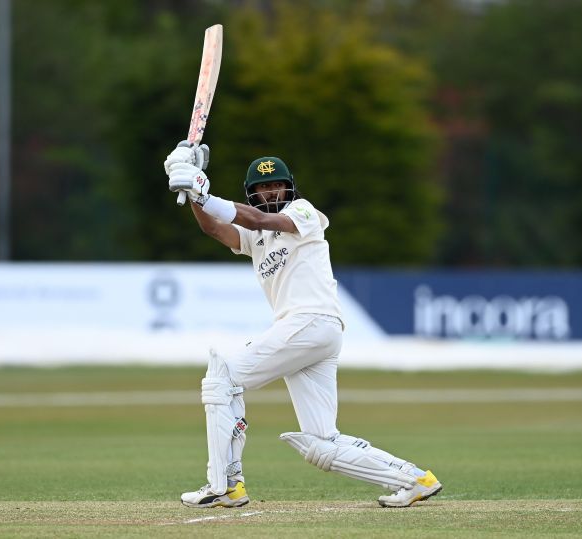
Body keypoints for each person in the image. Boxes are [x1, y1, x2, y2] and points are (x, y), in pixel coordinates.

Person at [163, 143, 442, 508]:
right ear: (252, 192)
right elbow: (217, 230)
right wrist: (190, 193)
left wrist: (205, 192)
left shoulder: (303, 212)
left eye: (275, 185)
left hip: (311, 321)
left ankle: (225, 485)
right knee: (321, 441)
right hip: (312, 334)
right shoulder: (253, 236)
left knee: (222, 376)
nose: (269, 192)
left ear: (289, 187)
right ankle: (416, 479)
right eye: (261, 189)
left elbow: (261, 219)